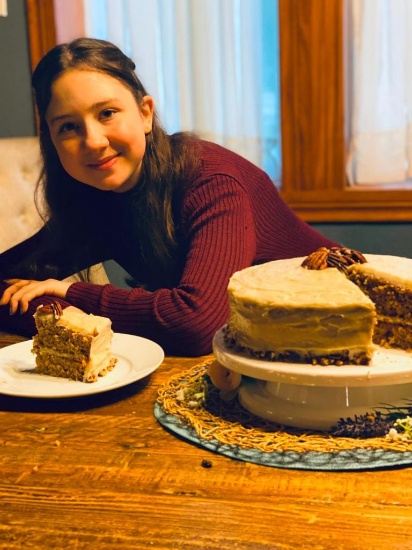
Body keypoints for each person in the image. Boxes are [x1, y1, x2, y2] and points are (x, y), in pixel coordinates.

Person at [0, 38, 338, 356]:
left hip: (346, 320)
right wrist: (59, 311)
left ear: (145, 112)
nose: (93, 141)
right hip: (259, 349)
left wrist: (71, 294)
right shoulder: (94, 197)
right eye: (68, 127)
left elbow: (196, 323)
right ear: (52, 140)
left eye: (107, 113)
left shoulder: (208, 178)